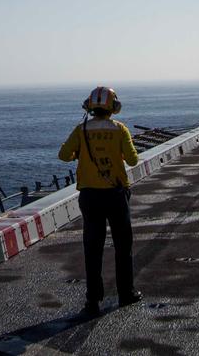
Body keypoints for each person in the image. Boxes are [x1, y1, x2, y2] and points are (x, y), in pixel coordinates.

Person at [58, 86, 142, 318]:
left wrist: (80, 154)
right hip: (116, 194)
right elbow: (134, 160)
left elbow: (63, 155)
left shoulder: (81, 129)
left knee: (92, 248)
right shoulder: (120, 129)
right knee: (123, 246)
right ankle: (126, 293)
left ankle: (92, 301)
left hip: (90, 195)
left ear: (89, 106)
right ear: (113, 107)